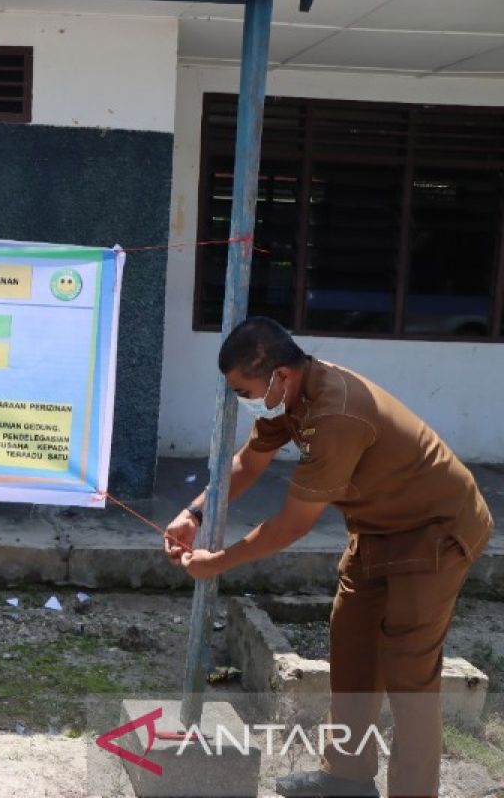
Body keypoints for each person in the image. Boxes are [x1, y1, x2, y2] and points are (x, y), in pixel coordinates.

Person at [165, 317, 493, 798]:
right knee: (352, 644)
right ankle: (346, 778)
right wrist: (193, 513)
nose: (241, 398)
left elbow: (291, 525)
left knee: (408, 675)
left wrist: (218, 562)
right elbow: (248, 462)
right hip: (378, 530)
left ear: (279, 374)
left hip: (435, 536)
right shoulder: (293, 397)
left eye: (243, 388)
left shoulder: (337, 413)